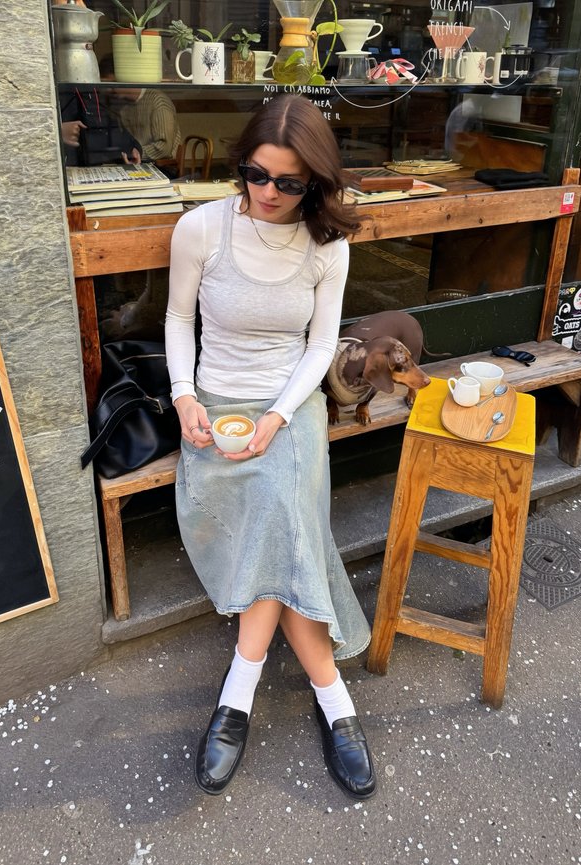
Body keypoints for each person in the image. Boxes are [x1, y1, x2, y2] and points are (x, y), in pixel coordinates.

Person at [165, 94, 377, 800]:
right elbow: (177, 317)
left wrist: (280, 416)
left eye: (291, 183)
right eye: (258, 175)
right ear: (242, 165)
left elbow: (320, 346)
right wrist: (184, 396)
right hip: (214, 410)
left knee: (279, 510)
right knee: (280, 525)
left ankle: (241, 692)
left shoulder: (327, 245)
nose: (270, 194)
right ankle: (335, 700)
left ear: (315, 182)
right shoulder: (202, 229)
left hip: (290, 409)